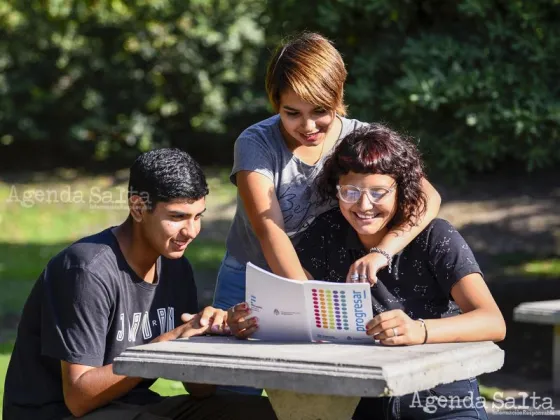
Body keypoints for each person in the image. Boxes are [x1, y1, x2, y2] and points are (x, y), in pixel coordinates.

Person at [228, 124, 506, 419]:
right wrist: (248, 320)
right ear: (335, 189)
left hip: (443, 401)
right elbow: (296, 310)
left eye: (378, 192)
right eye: (350, 191)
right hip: (361, 403)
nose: (364, 205)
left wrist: (419, 330)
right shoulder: (326, 234)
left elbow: (493, 321)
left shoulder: (436, 237)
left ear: (402, 189)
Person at [3, 149, 277, 420]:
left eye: (198, 216)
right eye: (177, 217)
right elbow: (79, 399)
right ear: (137, 208)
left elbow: (200, 390)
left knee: (267, 413)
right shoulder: (85, 271)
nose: (191, 232)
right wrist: (164, 345)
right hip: (59, 412)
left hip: (134, 405)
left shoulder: (176, 268)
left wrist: (209, 337)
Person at [213, 32, 441, 316]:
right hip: (252, 276)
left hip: (326, 276)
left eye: (320, 110)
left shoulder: (359, 138)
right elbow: (270, 231)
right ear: (275, 103)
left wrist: (381, 252)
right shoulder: (256, 143)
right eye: (292, 113)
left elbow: (428, 198)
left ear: (338, 95)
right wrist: (307, 302)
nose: (308, 126)